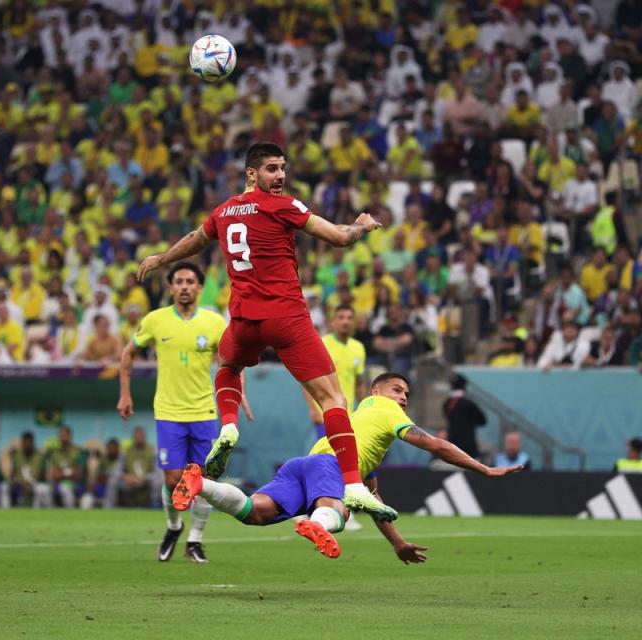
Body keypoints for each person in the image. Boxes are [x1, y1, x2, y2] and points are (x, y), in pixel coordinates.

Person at [138, 142, 394, 522]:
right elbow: (339, 237)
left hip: (243, 319)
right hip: (286, 317)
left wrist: (162, 258)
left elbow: (196, 237)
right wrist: (362, 225)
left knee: (227, 368)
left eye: (283, 168)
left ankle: (228, 427)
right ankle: (355, 486)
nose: (281, 176)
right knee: (334, 400)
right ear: (251, 174)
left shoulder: (224, 211)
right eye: (272, 168)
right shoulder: (283, 205)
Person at [171, 372, 522, 559]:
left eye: (406, 395)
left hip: (306, 462)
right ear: (376, 390)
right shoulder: (386, 411)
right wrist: (483, 469)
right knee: (339, 513)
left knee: (255, 511)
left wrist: (397, 543)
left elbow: (372, 498)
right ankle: (319, 523)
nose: (403, 398)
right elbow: (435, 444)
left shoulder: (359, 427)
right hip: (329, 468)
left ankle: (202, 485)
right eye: (397, 390)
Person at [118, 261, 250, 563]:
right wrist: (125, 394)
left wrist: (239, 394)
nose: (185, 286)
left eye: (190, 281)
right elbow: (128, 353)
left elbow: (233, 360)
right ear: (170, 287)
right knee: (172, 479)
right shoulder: (155, 320)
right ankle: (174, 527)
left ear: (200, 287)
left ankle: (195, 540)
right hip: (168, 412)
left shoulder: (215, 322)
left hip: (204, 411)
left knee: (201, 479)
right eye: (179, 281)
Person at [303, 305, 366, 440]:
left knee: (344, 458)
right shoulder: (322, 344)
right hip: (325, 413)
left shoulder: (358, 348)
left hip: (348, 416)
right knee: (326, 456)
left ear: (354, 322)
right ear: (333, 322)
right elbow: (306, 379)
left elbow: (359, 383)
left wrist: (365, 408)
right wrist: (313, 410)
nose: (345, 322)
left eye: (349, 318)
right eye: (341, 317)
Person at [442, 375, 487, 460]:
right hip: (469, 449)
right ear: (464, 387)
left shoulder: (446, 404)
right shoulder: (468, 404)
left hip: (453, 448)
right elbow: (483, 420)